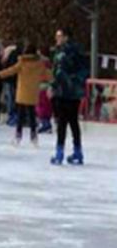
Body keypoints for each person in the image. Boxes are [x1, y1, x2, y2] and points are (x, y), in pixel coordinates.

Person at [0, 43, 48, 148]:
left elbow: (10, 71)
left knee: (20, 116)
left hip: (22, 92)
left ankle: (18, 136)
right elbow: (47, 74)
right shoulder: (39, 64)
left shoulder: (22, 62)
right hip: (33, 93)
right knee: (32, 116)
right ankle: (34, 137)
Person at [51, 28, 88, 165]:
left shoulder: (61, 52)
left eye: (59, 36)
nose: (57, 38)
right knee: (73, 122)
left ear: (66, 37)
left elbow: (59, 72)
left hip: (63, 91)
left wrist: (53, 86)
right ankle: (78, 151)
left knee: (62, 122)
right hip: (75, 93)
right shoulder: (79, 50)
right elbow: (84, 70)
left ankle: (59, 152)